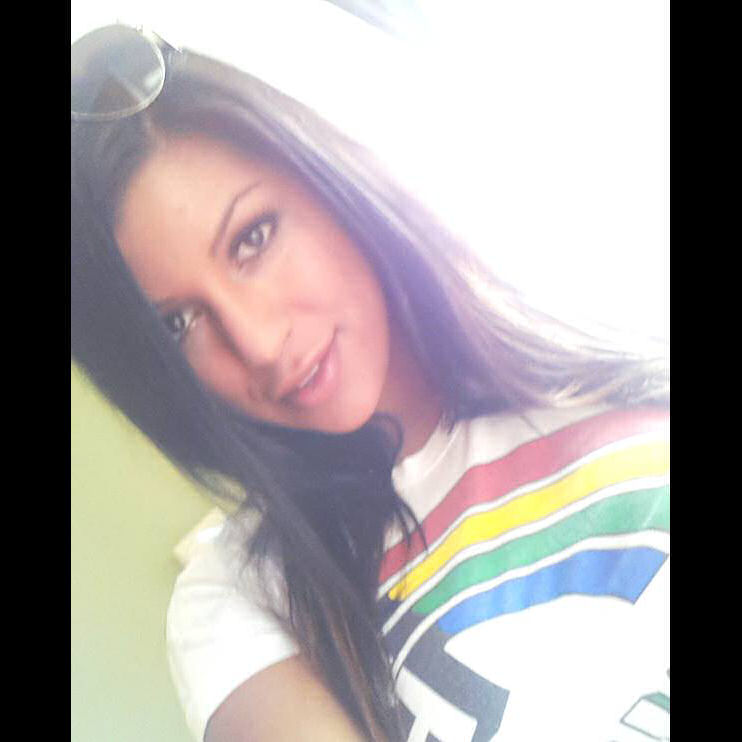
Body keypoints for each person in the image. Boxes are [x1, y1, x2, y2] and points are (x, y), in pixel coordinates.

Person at [71, 25, 670, 742]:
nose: (257, 343)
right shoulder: (242, 600)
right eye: (178, 324)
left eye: (253, 237)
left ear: (325, 179)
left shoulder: (606, 307)